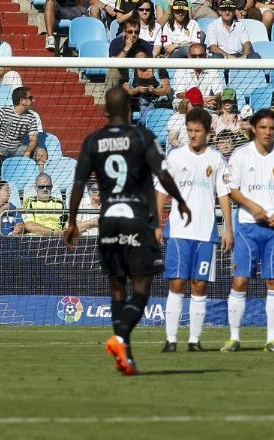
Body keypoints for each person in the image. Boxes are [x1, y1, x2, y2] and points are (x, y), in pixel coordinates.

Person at [64, 86, 191, 376]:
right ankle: (121, 338)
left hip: (108, 219)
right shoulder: (142, 136)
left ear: (105, 111)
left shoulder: (93, 141)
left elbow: (79, 184)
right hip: (136, 217)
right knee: (142, 287)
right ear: (130, 110)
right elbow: (163, 174)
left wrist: (71, 221)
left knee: (117, 287)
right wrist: (181, 201)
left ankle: (126, 356)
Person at [220, 109, 274, 352]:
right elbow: (232, 189)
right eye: (263, 127)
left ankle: (272, 340)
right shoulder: (241, 155)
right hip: (247, 226)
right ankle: (234, 338)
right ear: (254, 128)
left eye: (272, 128)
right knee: (240, 280)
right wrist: (253, 206)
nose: (268, 132)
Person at [158, 107, 233, 353]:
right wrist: (155, 223)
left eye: (197, 131)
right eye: (189, 130)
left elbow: (223, 195)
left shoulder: (216, 159)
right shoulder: (176, 157)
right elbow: (161, 190)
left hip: (206, 232)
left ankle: (194, 339)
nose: (192, 135)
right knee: (177, 283)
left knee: (199, 285)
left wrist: (228, 229)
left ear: (208, 132)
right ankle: (171, 339)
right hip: (179, 231)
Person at [0, 87, 47, 171]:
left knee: (41, 153)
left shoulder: (31, 117)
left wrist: (27, 153)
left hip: (18, 149)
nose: (33, 100)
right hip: (0, 148)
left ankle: (41, 180)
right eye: (30, 98)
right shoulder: (4, 112)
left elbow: (34, 140)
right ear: (22, 101)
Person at [121, 48, 172, 123]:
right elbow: (126, 92)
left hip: (159, 101)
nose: (142, 63)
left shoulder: (159, 69)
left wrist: (154, 91)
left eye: (144, 60)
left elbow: (167, 90)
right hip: (138, 102)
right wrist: (137, 90)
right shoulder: (129, 71)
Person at [172, 43, 225, 111]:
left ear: (205, 56)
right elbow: (180, 94)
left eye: (201, 56)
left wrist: (215, 98)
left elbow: (219, 92)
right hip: (185, 104)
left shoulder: (212, 69)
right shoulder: (181, 69)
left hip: (206, 104)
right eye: (194, 56)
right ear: (189, 56)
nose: (197, 59)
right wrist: (200, 100)